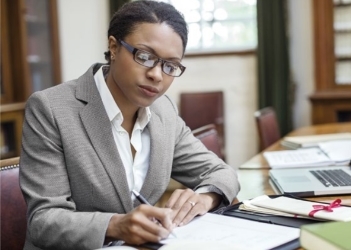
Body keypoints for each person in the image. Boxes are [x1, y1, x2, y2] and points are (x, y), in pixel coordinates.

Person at [19, 1, 240, 249]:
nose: (157, 75)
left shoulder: (163, 111)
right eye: (145, 57)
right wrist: (116, 225)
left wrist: (203, 197)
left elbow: (223, 173)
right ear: (113, 47)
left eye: (170, 65)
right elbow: (43, 221)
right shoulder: (50, 108)